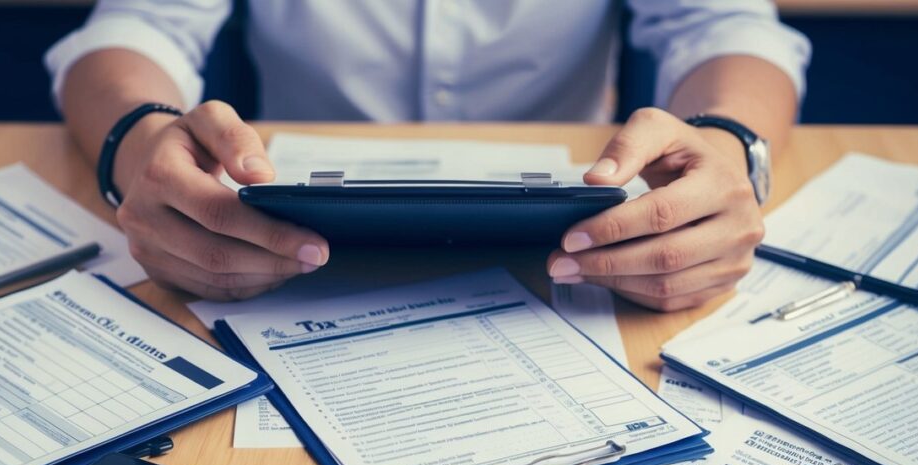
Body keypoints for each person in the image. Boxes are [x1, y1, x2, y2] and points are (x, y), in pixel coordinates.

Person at [46, 1, 809, 311]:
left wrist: (728, 146)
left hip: (576, 253)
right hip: (271, 235)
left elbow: (728, 28)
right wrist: (139, 145)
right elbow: (134, 29)